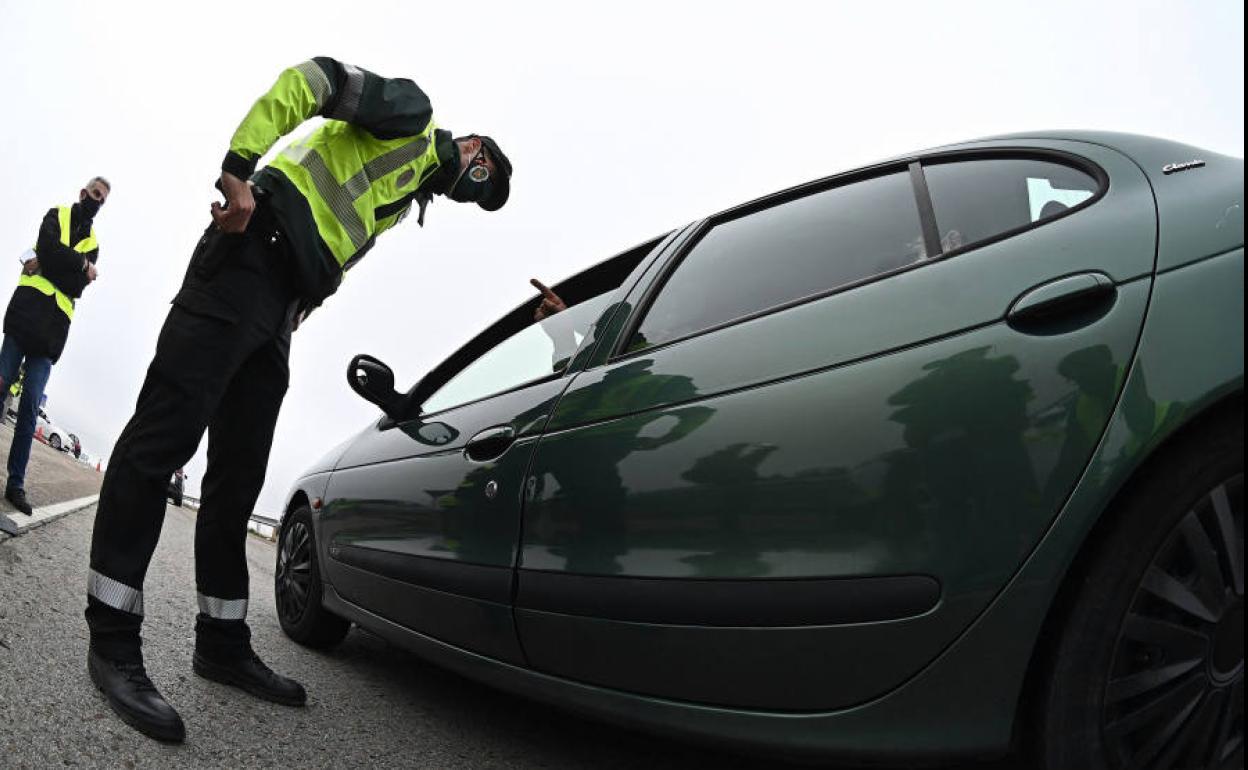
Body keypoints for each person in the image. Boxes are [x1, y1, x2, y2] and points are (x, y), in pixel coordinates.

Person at [84, 57, 512, 743]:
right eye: (478, 178)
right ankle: (112, 638)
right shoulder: (412, 112)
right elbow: (314, 81)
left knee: (239, 475)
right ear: (472, 148)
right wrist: (238, 166)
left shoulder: (405, 201)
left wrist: (300, 308)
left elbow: (337, 242)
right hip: (248, 251)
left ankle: (221, 643)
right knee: (163, 440)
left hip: (280, 305)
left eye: (474, 196)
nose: (466, 187)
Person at [0, 178, 109, 514]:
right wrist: (77, 264)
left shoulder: (94, 243)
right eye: (94, 194)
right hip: (25, 314)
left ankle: (15, 484)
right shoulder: (56, 214)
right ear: (82, 194)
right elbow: (47, 248)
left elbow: (76, 288)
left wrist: (51, 266)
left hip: (51, 332)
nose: (96, 201)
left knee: (30, 406)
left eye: (102, 200)